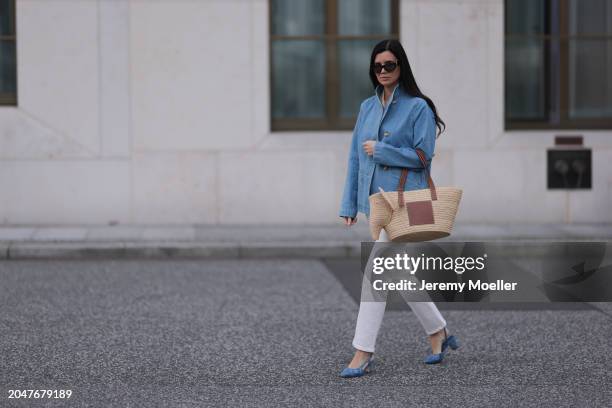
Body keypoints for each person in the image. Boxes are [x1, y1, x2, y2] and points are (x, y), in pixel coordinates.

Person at [338, 39, 459, 378]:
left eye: (389, 65)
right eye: (377, 66)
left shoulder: (418, 107)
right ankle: (438, 332)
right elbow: (353, 157)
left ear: (401, 67)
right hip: (377, 204)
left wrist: (383, 149)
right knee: (400, 274)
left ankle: (362, 351)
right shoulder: (367, 107)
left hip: (406, 203)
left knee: (375, 273)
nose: (383, 72)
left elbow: (423, 157)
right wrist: (349, 203)